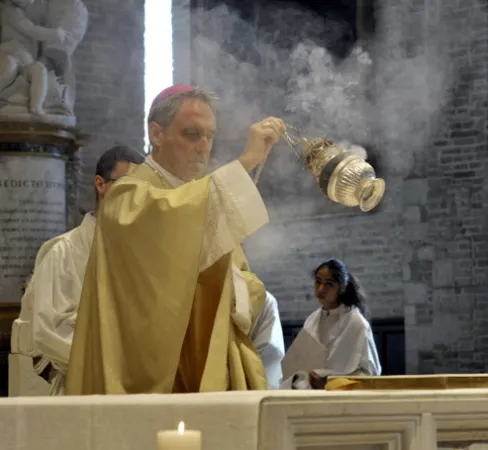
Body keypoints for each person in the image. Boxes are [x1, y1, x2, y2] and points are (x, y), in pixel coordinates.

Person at [65, 85, 287, 395]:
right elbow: (168, 230)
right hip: (148, 379)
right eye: (192, 134)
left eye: (210, 136)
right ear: (156, 133)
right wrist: (246, 162)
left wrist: (242, 292)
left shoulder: (203, 203)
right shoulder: (126, 197)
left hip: (206, 364)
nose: (203, 146)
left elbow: (239, 279)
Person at [11, 146, 145, 395]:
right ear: (100, 184)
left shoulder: (144, 255)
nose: (135, 198)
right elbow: (50, 332)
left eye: (143, 190)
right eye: (126, 186)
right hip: (82, 389)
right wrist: (120, 357)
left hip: (139, 388)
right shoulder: (63, 252)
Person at [280, 259, 381, 389]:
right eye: (318, 281)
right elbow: (297, 365)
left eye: (329, 284)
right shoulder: (312, 320)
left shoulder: (356, 324)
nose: (321, 289)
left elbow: (370, 374)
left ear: (341, 288)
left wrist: (331, 382)